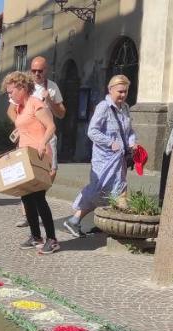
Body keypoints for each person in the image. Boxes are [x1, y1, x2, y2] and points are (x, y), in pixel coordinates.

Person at [64, 75, 138, 238]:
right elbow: (92, 131)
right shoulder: (103, 107)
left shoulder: (125, 108)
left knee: (119, 190)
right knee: (99, 190)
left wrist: (133, 143)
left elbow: (129, 131)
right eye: (120, 91)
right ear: (110, 90)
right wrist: (110, 142)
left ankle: (110, 225)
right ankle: (74, 220)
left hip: (120, 160)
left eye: (125, 92)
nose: (123, 95)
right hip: (104, 159)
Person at [4, 71, 59, 254]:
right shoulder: (20, 108)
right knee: (26, 196)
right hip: (25, 155)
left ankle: (52, 239)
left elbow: (51, 126)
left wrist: (43, 143)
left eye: (11, 91)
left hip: (39, 155)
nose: (9, 95)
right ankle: (36, 236)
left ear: (21, 88)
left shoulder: (36, 104)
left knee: (39, 198)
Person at [14, 56, 67, 230]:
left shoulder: (51, 87)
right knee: (28, 187)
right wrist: (21, 125)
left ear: (46, 70)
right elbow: (11, 110)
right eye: (34, 70)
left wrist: (49, 100)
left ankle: (47, 234)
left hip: (45, 141)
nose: (37, 74)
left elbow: (61, 115)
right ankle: (30, 221)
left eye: (40, 70)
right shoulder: (24, 88)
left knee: (45, 181)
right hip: (27, 141)